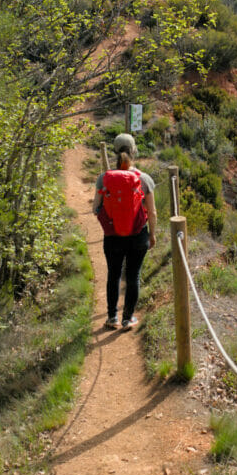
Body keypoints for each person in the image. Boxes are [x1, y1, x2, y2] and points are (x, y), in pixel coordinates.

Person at [93, 133, 157, 330]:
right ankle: (128, 319)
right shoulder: (144, 179)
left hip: (113, 237)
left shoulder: (104, 179)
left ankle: (112, 317)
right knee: (133, 276)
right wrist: (152, 235)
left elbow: (95, 208)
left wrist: (112, 220)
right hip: (138, 236)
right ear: (134, 151)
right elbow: (152, 212)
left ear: (114, 152)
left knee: (113, 274)